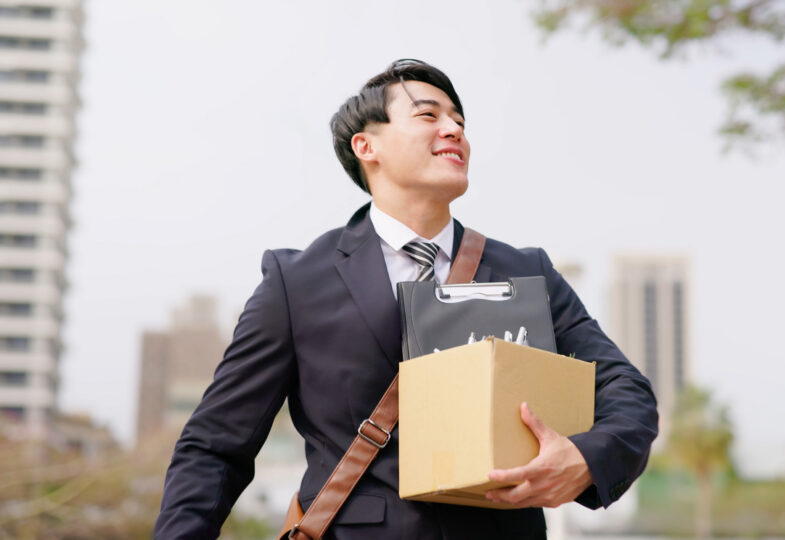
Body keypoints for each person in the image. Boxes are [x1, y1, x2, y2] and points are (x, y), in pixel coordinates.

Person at [154, 59, 658, 539]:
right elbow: (215, 447)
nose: (454, 129)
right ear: (366, 146)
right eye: (428, 115)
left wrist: (586, 458)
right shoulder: (296, 281)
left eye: (460, 120)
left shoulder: (528, 272)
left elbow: (625, 390)